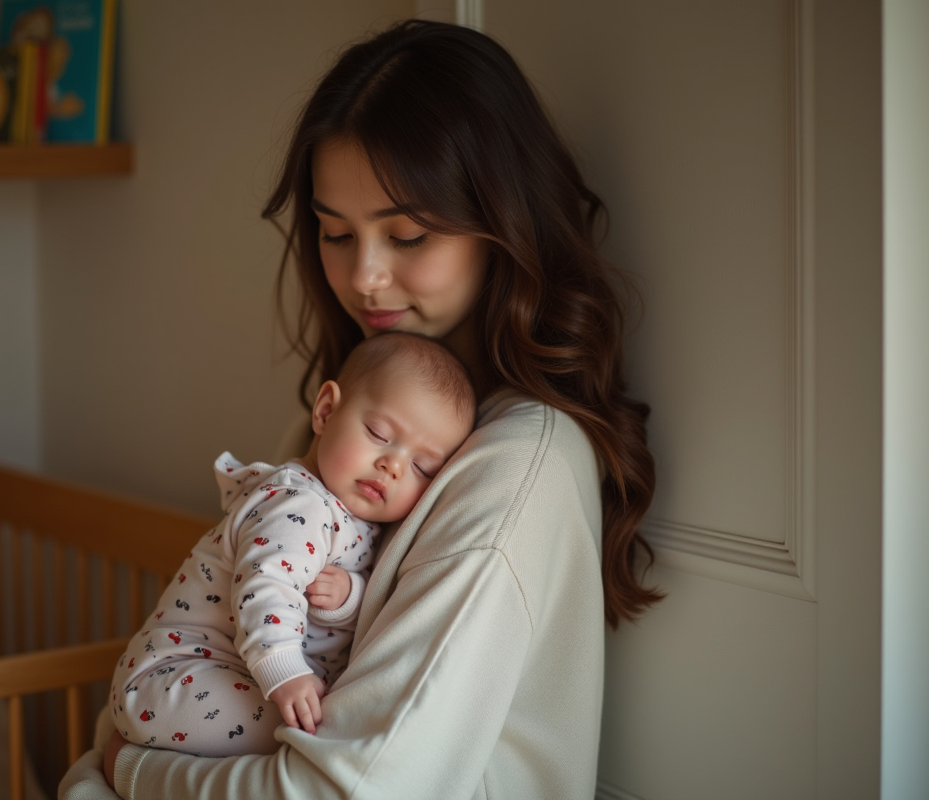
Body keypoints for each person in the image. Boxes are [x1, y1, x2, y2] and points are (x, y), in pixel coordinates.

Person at [60, 17, 660, 800]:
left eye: (407, 236)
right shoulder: (335, 433)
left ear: (503, 227)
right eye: (335, 233)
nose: (365, 277)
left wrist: (122, 768)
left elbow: (346, 790)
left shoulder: (516, 466)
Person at [110, 332, 475, 757]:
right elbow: (267, 586)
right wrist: (283, 669)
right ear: (325, 411)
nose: (393, 465)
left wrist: (349, 596)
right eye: (379, 433)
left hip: (223, 675)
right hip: (173, 677)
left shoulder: (354, 517)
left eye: (422, 467)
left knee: (314, 725)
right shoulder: (299, 501)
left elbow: (329, 594)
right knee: (312, 733)